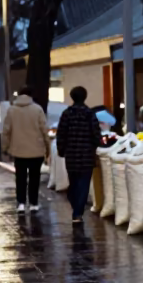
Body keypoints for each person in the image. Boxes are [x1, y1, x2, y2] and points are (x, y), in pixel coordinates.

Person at [55, 86, 99, 224]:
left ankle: (76, 209)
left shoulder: (67, 114)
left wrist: (61, 150)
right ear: (84, 97)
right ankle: (78, 212)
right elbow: (96, 134)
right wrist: (96, 146)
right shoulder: (89, 114)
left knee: (73, 183)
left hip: (71, 155)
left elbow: (60, 134)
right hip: (86, 155)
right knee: (83, 184)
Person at [2, 86, 49, 213]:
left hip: (18, 150)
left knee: (20, 177)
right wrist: (47, 147)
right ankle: (34, 203)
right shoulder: (37, 109)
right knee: (35, 177)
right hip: (36, 150)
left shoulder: (12, 110)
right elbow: (44, 130)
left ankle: (21, 203)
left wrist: (4, 147)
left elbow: (6, 131)